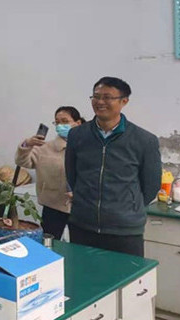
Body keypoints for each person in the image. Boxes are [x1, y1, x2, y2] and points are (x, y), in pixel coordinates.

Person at [66, 76, 162, 256]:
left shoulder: (144, 140)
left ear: (124, 101)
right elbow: (72, 174)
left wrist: (128, 206)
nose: (100, 102)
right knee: (83, 272)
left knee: (127, 274)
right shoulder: (77, 135)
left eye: (107, 97)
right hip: (82, 225)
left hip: (125, 230)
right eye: (96, 96)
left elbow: (151, 185)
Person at [15, 106, 83, 239]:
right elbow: (23, 161)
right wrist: (27, 145)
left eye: (65, 121)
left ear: (77, 123)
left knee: (79, 244)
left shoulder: (88, 147)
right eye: (57, 122)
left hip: (82, 206)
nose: (60, 126)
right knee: (48, 242)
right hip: (53, 205)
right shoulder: (45, 148)